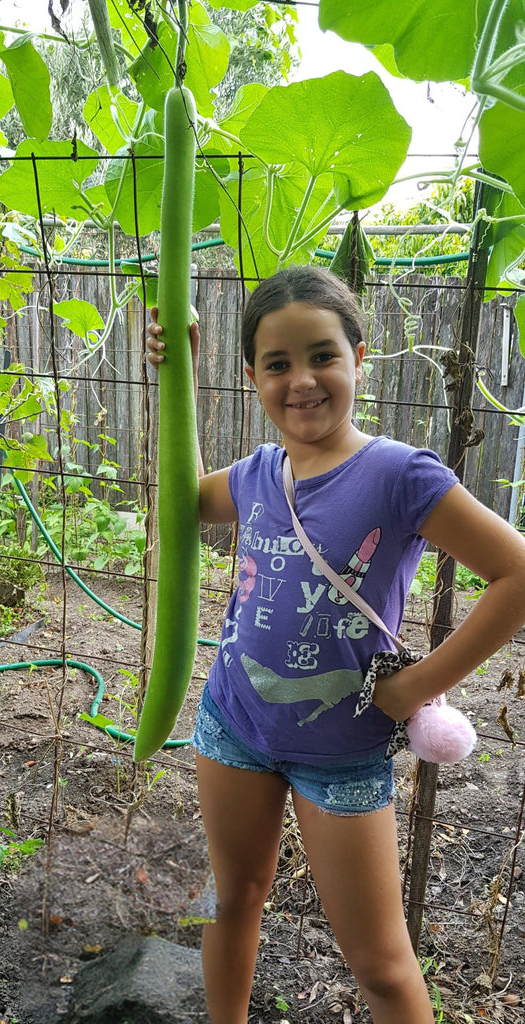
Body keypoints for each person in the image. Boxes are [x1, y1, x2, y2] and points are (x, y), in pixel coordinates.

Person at [147, 265, 525, 1024]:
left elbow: (516, 572)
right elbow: (182, 503)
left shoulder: (398, 474)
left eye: (322, 355)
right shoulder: (257, 474)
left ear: (360, 354)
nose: (303, 381)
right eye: (278, 365)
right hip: (234, 728)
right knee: (232, 901)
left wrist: (416, 686)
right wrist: (177, 381)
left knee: (381, 966)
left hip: (343, 751)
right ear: (250, 376)